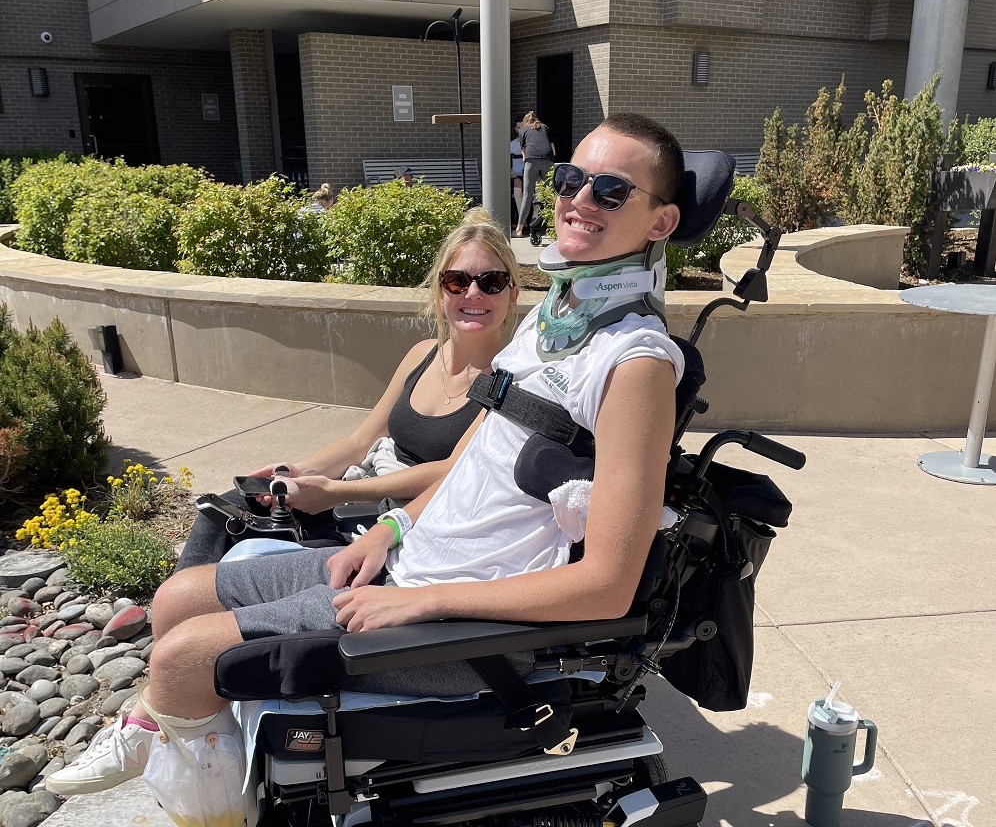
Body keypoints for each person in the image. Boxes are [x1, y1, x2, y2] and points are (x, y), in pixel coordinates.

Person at [46, 113, 685, 796]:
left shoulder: (635, 362)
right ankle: (205, 757)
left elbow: (610, 584)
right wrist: (389, 527)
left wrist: (425, 603)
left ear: (661, 223)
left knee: (182, 656)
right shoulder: (547, 325)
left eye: (611, 191)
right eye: (570, 178)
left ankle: (205, 786)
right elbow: (474, 458)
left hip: (465, 624)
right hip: (411, 564)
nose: (579, 199)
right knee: (178, 597)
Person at [173, 209, 522, 571]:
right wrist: (299, 470)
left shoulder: (510, 379)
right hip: (364, 494)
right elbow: (359, 442)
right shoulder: (423, 354)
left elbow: (452, 471)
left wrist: (334, 493)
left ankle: (185, 614)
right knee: (228, 507)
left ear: (512, 296)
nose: (474, 292)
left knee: (265, 568)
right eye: (457, 281)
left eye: (491, 282)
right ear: (439, 293)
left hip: (409, 522)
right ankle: (173, 606)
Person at [514, 110, 556, 242]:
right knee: (551, 195)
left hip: (531, 161)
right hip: (548, 160)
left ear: (526, 122)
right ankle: (555, 228)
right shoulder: (545, 127)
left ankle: (519, 230)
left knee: (527, 195)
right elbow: (553, 150)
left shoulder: (523, 131)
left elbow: (524, 155)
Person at [509, 118, 524, 225]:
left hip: (529, 174)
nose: (521, 130)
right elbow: (505, 160)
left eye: (523, 127)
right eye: (519, 128)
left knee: (539, 183)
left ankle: (535, 217)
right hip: (516, 175)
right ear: (516, 129)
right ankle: (521, 218)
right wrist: (511, 172)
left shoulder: (531, 143)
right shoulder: (512, 144)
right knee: (518, 183)